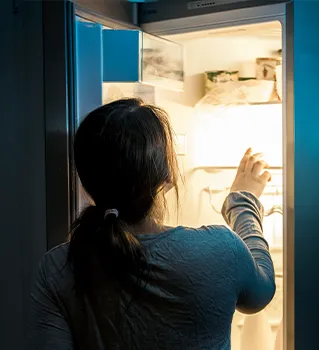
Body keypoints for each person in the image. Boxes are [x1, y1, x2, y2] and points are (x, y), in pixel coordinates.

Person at [26, 98, 276, 350]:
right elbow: (261, 291)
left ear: (85, 182)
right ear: (167, 177)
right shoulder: (221, 250)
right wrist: (243, 202)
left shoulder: (58, 267)